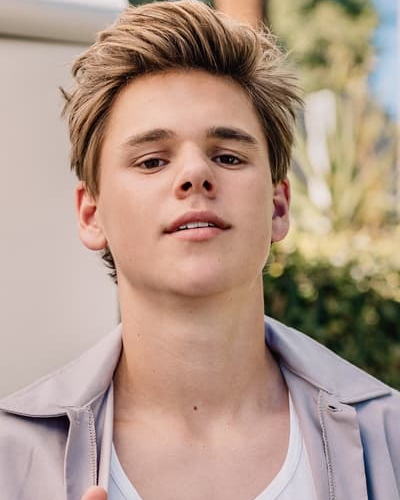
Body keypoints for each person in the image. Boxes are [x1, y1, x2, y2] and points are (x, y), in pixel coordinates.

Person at [1, 2, 399, 500]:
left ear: (278, 206)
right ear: (91, 214)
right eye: (151, 161)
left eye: (228, 157)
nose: (195, 174)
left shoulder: (389, 439)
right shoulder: (9, 456)